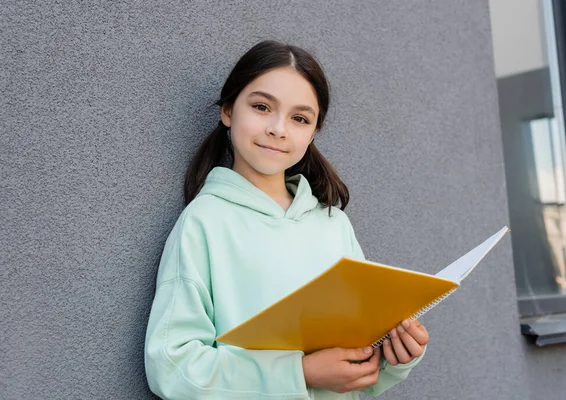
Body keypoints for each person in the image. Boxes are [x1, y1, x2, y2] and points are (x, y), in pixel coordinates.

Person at [144, 40, 428, 400]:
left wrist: (396, 356)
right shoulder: (203, 223)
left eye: (300, 118)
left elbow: (359, 362)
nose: (279, 129)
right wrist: (299, 373)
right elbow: (172, 367)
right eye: (262, 107)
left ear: (313, 133)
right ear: (228, 110)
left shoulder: (333, 224)